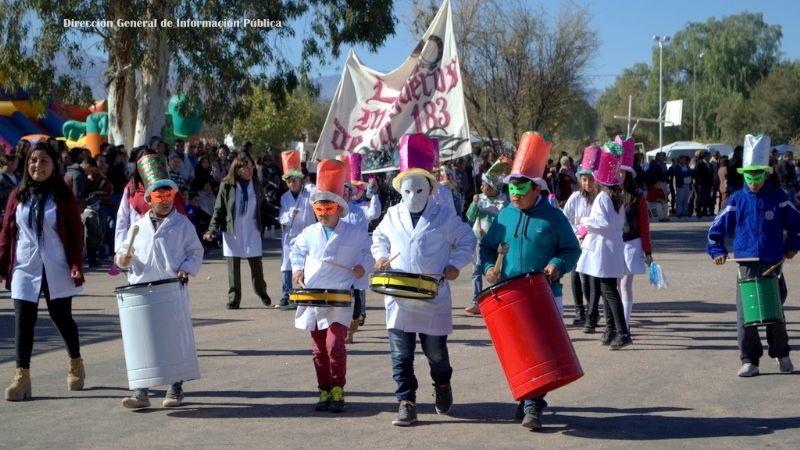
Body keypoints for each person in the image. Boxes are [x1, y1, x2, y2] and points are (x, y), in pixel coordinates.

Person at [371, 134, 475, 427]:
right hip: (399, 297)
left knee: (436, 354)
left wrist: (455, 265)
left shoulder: (444, 216)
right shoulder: (392, 215)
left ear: (430, 188)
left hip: (432, 297)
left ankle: (442, 384)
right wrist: (380, 256)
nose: (413, 195)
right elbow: (378, 237)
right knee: (400, 355)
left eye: (419, 189)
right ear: (400, 190)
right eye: (407, 189)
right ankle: (406, 401)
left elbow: (467, 240)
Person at [480, 132, 581, 431]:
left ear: (536, 188)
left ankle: (533, 404)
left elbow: (571, 249)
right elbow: (487, 248)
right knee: (519, 351)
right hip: (509, 295)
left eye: (521, 187)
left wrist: (557, 265)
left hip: (545, 294)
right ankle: (528, 398)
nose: (515, 193)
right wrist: (489, 268)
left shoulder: (554, 217)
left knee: (541, 350)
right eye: (511, 187)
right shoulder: (504, 217)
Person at [707, 133, 799, 377]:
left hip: (773, 263)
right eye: (749, 176)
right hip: (746, 264)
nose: (753, 181)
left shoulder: (779, 198)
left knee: (774, 311)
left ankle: (782, 354)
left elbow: (796, 223)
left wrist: (792, 244)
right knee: (746, 314)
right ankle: (749, 360)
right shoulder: (736, 200)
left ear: (766, 174)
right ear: (744, 175)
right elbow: (716, 230)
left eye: (757, 176)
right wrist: (717, 251)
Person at [0, 142, 85, 401]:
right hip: (25, 266)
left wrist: (75, 264)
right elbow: (7, 232)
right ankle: (22, 377)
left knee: (62, 318)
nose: (38, 165)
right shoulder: (18, 195)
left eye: (44, 160)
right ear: (27, 165)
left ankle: (75, 362)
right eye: (33, 161)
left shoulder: (62, 194)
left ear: (54, 165)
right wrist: (2, 265)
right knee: (23, 322)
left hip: (56, 266)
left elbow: (75, 233)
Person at [115, 165, 204, 409]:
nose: (165, 201)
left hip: (171, 289)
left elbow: (195, 251)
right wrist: (122, 260)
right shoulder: (138, 227)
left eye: (169, 196)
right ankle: (141, 392)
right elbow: (123, 253)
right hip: (142, 291)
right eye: (159, 196)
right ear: (149, 199)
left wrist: (186, 268)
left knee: (173, 340)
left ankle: (175, 387)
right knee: (143, 341)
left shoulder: (183, 224)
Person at [290, 159, 374, 412]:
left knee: (334, 345)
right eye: (319, 209)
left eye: (328, 209)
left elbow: (369, 252)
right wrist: (297, 269)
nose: (323, 214)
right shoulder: (309, 233)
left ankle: (338, 388)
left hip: (339, 297)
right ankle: (323, 390)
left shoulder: (354, 232)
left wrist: (363, 267)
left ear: (339, 208)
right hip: (314, 298)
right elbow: (296, 251)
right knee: (318, 349)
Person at [575, 141, 631, 349]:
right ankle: (611, 329)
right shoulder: (617, 197)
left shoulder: (602, 197)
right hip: (611, 247)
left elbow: (603, 222)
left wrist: (584, 220)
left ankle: (622, 331)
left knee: (609, 290)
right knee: (606, 288)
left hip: (603, 249)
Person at [204, 153, 271, 309]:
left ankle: (261, 292)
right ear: (238, 170)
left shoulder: (256, 184)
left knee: (256, 264)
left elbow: (264, 206)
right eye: (247, 168)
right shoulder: (227, 185)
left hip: (252, 229)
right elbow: (219, 209)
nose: (251, 170)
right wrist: (212, 229)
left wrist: (281, 212)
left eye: (252, 167)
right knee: (233, 266)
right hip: (233, 229)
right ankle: (234, 298)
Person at [340, 152, 381, 333]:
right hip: (342, 254)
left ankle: (360, 314)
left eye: (349, 190)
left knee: (359, 287)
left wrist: (374, 195)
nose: (347, 193)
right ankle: (345, 318)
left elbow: (375, 213)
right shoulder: (339, 210)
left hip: (359, 254)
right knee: (345, 286)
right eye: (345, 190)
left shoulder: (362, 208)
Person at [464, 155, 510, 315]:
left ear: (493, 187)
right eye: (482, 184)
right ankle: (476, 302)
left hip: (495, 243)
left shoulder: (504, 202)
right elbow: (470, 217)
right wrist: (474, 203)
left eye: (485, 184)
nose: (482, 186)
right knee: (476, 271)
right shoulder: (480, 199)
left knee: (495, 272)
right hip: (478, 241)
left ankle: (498, 301)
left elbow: (506, 222)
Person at [562, 145, 601, 326]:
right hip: (578, 242)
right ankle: (580, 310)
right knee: (576, 274)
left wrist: (588, 226)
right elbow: (566, 217)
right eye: (584, 180)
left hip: (595, 243)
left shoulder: (601, 198)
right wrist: (577, 231)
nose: (588, 183)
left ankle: (593, 309)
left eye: (591, 179)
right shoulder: (576, 198)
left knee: (592, 277)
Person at [617, 136, 654, 329]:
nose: (618, 175)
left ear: (628, 174)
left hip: (631, 244)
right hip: (612, 244)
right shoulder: (607, 194)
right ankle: (616, 323)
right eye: (616, 171)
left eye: (621, 171)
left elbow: (644, 226)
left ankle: (625, 324)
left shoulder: (638, 196)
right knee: (613, 285)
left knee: (625, 284)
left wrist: (648, 251)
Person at [277, 150, 316, 308]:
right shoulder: (284, 198)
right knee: (287, 265)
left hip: (306, 235)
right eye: (289, 181)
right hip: (291, 236)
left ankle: (306, 291)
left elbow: (316, 194)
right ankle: (286, 294)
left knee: (306, 264)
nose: (292, 184)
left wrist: (310, 184)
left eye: (295, 180)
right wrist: (289, 215)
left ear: (301, 180)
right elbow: (281, 218)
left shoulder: (308, 193)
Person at [81, 195, 103, 267]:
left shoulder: (86, 214)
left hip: (89, 238)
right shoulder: (91, 215)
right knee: (92, 251)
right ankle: (92, 262)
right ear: (93, 206)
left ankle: (93, 261)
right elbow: (93, 228)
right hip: (91, 238)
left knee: (92, 251)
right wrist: (99, 234)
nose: (99, 206)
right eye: (97, 204)